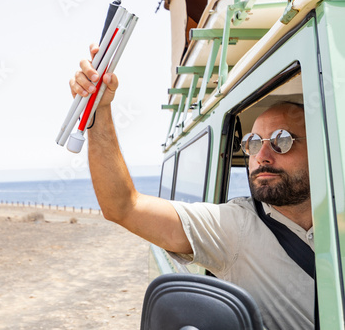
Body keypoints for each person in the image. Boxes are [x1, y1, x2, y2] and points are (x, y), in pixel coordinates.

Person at [69, 44, 314, 330]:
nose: (261, 156)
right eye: (253, 143)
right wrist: (100, 111)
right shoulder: (236, 227)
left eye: (281, 140)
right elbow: (124, 207)